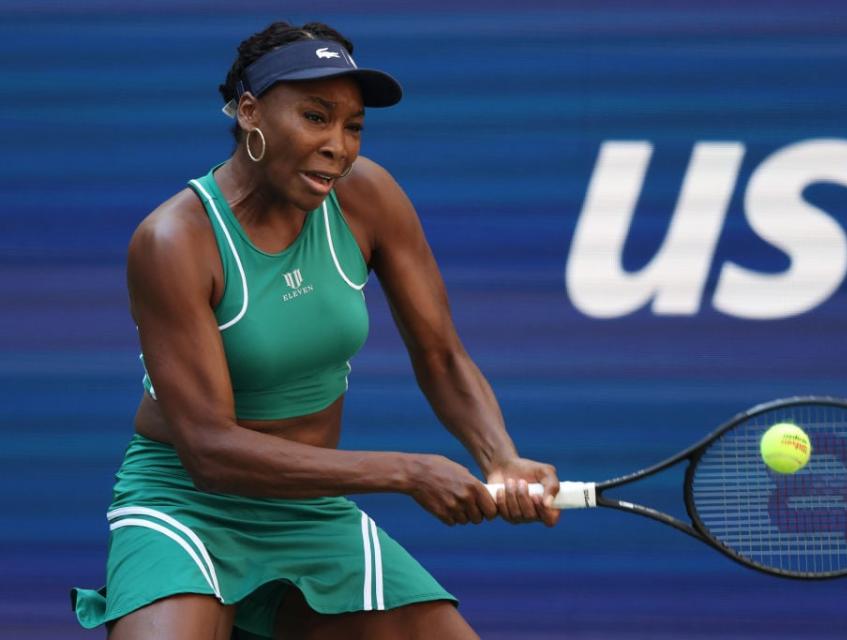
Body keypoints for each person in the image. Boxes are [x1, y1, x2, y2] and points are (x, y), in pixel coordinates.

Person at [71, 21, 560, 640]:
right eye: (314, 116)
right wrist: (407, 472)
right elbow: (210, 452)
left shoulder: (368, 196)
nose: (338, 145)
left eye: (352, 125)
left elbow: (441, 356)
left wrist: (501, 457)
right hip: (185, 506)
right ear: (250, 112)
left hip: (306, 510)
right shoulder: (174, 240)